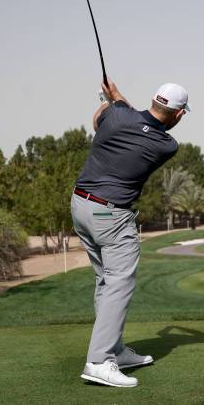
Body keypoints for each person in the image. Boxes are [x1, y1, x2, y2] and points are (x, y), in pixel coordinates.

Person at [70, 77, 190, 387]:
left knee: (105, 279)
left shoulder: (115, 115)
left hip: (82, 206)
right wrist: (118, 100)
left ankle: (115, 349)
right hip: (110, 215)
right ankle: (99, 361)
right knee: (119, 283)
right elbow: (142, 123)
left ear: (153, 100)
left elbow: (102, 120)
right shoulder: (167, 145)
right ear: (179, 115)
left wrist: (110, 100)